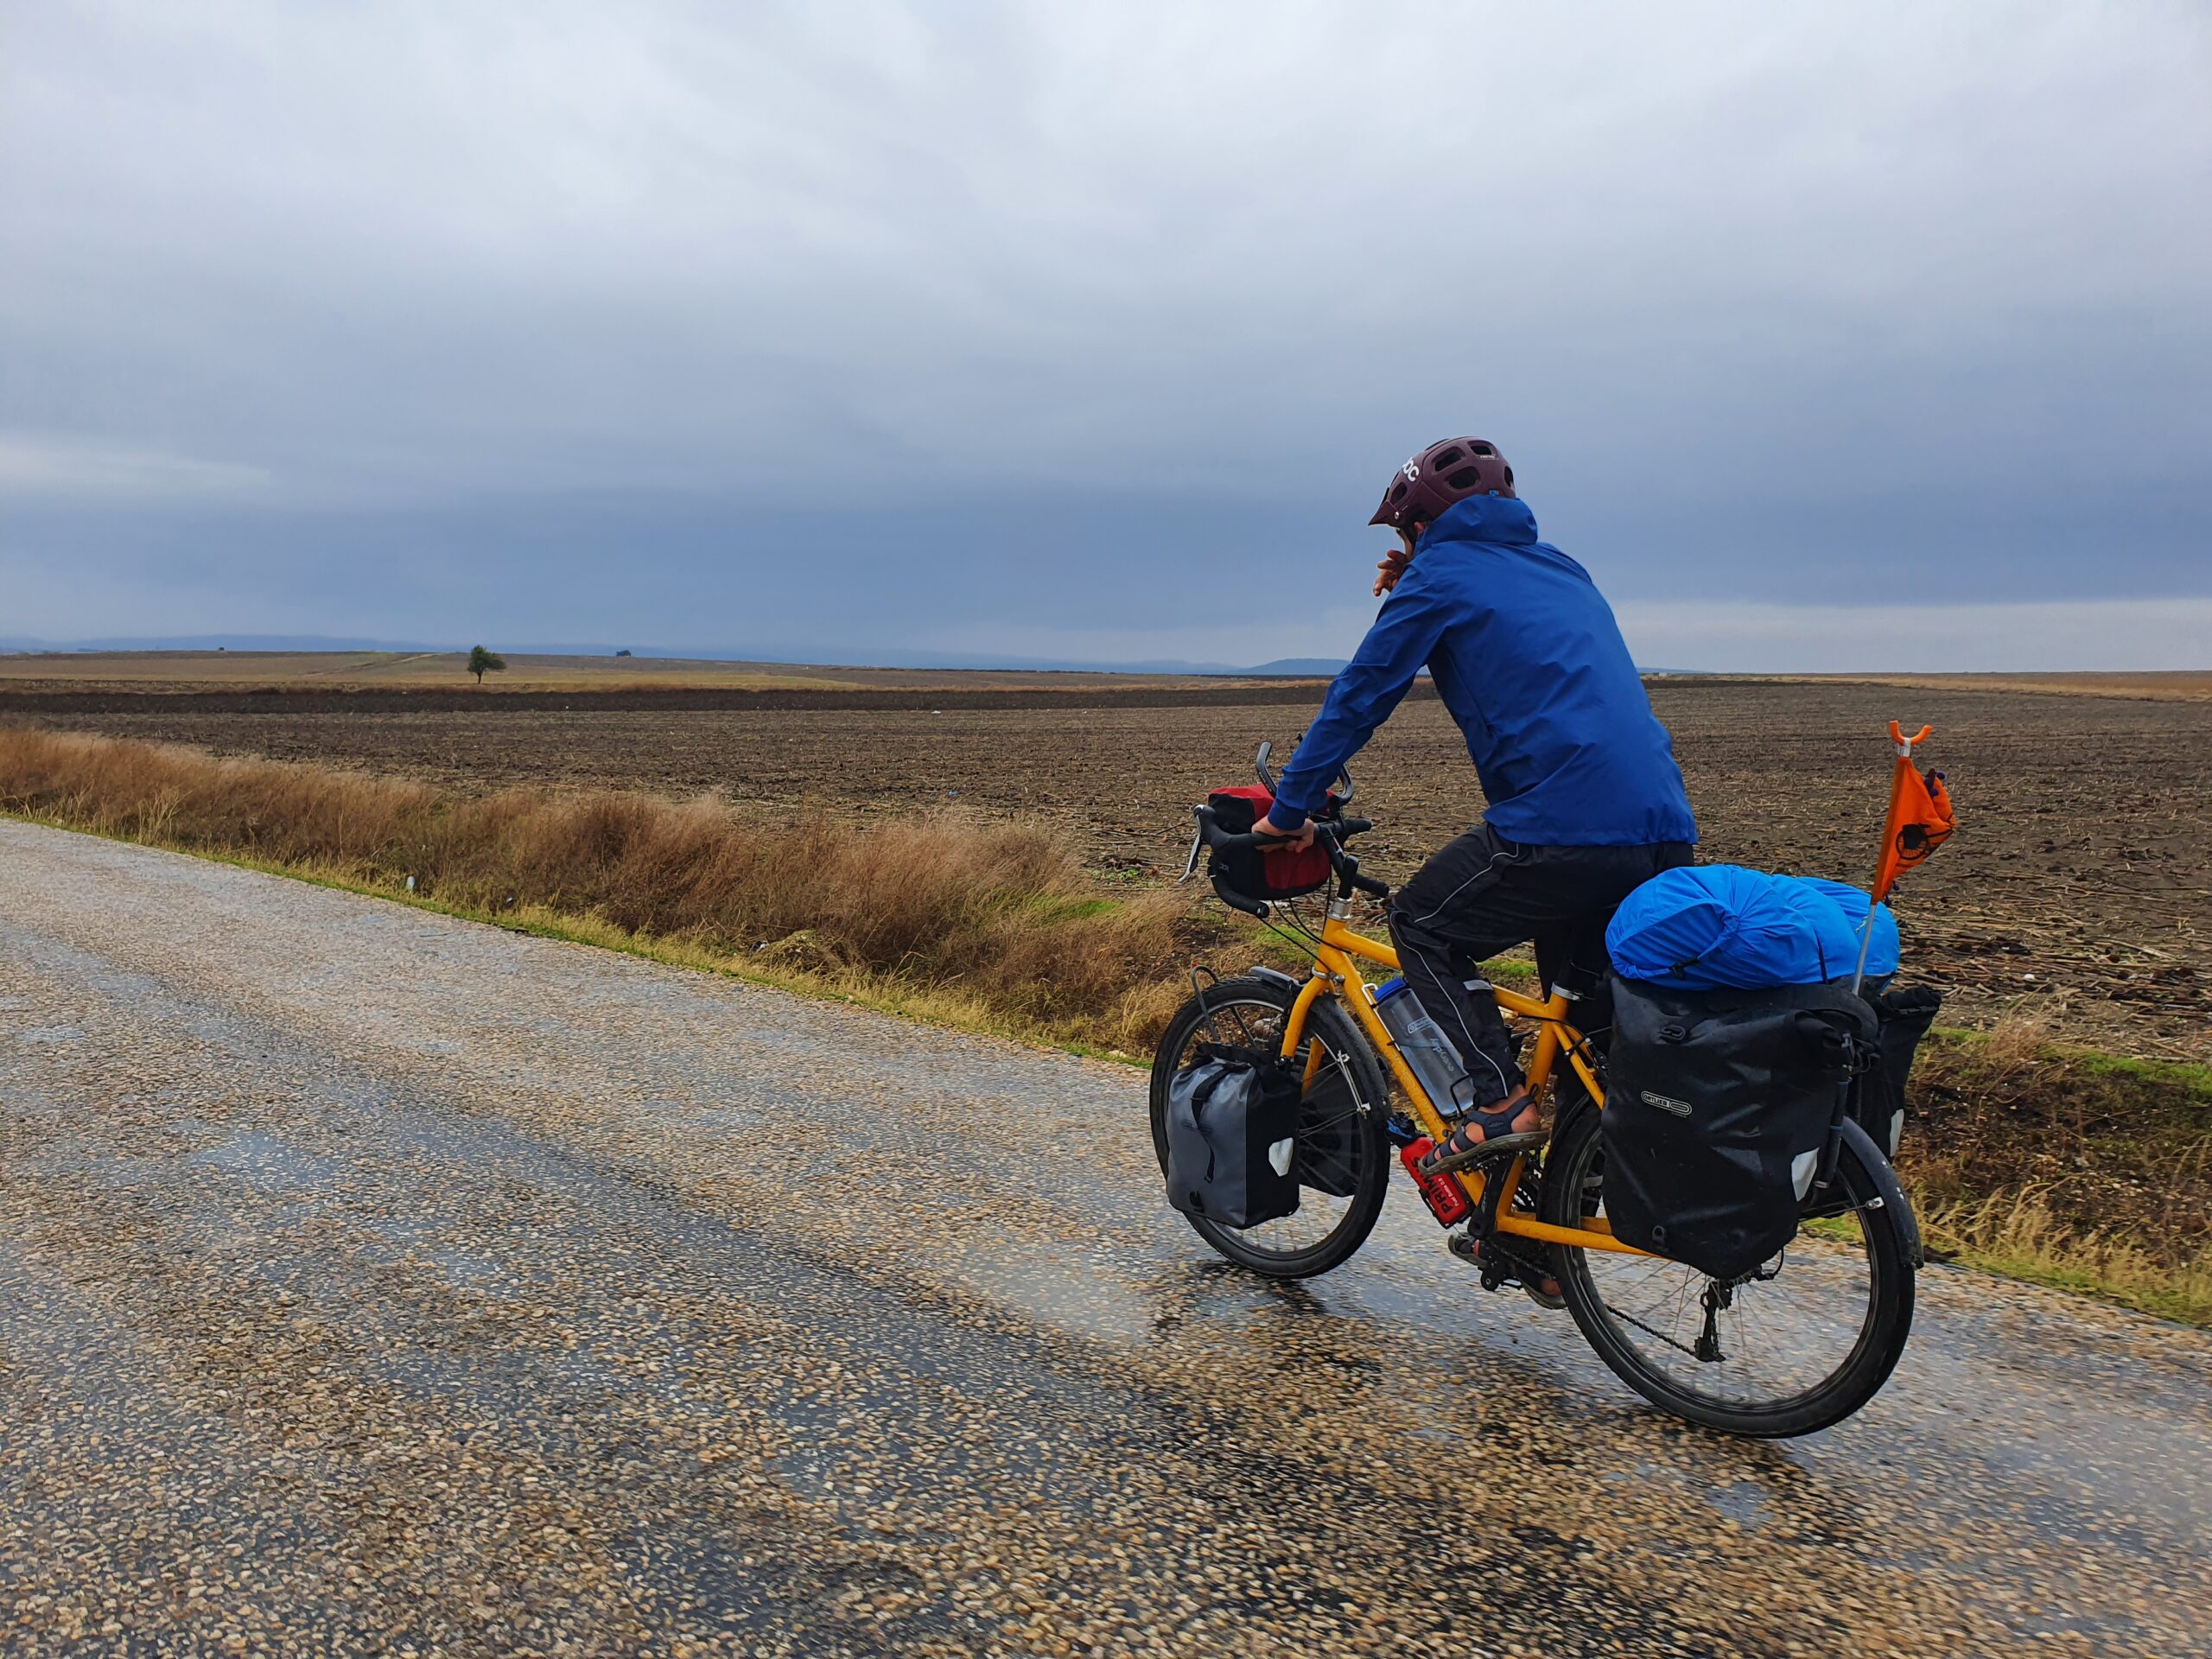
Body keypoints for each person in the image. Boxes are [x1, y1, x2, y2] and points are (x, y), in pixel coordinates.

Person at [1256, 437, 1698, 1168]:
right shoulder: (1561, 567)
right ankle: (1558, 1241)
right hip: (1660, 829)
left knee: (1421, 924)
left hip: (1562, 826)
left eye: (1406, 534)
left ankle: (1497, 1102)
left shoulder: (1441, 577)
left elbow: (1361, 696)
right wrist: (1421, 578)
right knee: (1582, 1034)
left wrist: (1291, 807)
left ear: (1419, 526)